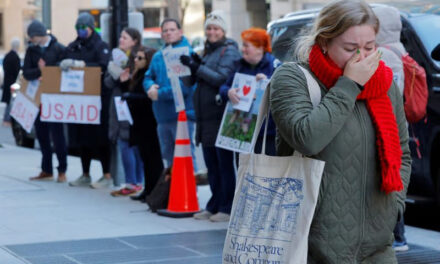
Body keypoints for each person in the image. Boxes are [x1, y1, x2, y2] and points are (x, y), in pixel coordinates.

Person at [269, 0, 411, 262]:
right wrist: (349, 85)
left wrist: (394, 206)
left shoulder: (383, 82)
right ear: (324, 41)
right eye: (350, 48)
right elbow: (307, 139)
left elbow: (402, 151)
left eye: (369, 47)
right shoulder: (292, 77)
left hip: (378, 245)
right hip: (312, 245)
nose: (362, 57)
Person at [179, 10, 240, 222]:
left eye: (215, 28)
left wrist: (198, 66)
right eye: (209, 29)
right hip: (205, 118)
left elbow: (222, 78)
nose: (212, 32)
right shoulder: (208, 51)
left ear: (223, 30)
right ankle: (214, 203)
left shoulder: (229, 51)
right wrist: (190, 67)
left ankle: (227, 205)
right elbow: (200, 78)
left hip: (220, 115)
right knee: (211, 165)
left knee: (223, 164)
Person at [61, 12, 112, 189]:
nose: (80, 31)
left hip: (98, 100)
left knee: (100, 138)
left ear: (91, 27)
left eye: (83, 28)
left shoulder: (100, 46)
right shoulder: (74, 46)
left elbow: (104, 66)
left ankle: (106, 174)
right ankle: (85, 174)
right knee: (82, 139)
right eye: (78, 28)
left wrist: (84, 66)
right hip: (80, 102)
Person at [374, 4, 410, 252]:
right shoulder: (398, 49)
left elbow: (389, 93)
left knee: (389, 179)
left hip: (388, 127)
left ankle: (398, 237)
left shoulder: (384, 54)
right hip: (397, 125)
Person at [143, 18, 197, 172]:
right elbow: (148, 77)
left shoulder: (187, 54)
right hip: (162, 116)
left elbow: (185, 86)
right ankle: (172, 193)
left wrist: (159, 94)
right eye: (165, 30)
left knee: (186, 158)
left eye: (172, 29)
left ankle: (190, 195)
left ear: (180, 32)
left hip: (182, 115)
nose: (168, 33)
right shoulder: (158, 56)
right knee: (168, 159)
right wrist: (150, 87)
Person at [219, 27, 279, 156]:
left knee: (263, 173)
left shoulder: (275, 66)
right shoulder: (239, 65)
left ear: (260, 48)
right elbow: (224, 87)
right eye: (243, 45)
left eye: (246, 45)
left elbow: (283, 93)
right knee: (243, 172)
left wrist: (267, 83)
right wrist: (228, 92)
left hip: (266, 134)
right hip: (241, 134)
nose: (242, 49)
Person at [23, 20, 68, 183]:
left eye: (32, 37)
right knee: (41, 135)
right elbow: (26, 73)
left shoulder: (58, 48)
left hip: (54, 98)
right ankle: (46, 169)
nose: (31, 40)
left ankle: (62, 170)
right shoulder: (31, 51)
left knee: (57, 135)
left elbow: (62, 69)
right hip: (38, 98)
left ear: (39, 35)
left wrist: (47, 71)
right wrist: (39, 71)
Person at [122, 47, 164, 202]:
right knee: (145, 157)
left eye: (140, 58)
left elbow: (146, 97)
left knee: (153, 157)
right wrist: (125, 85)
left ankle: (153, 190)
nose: (136, 60)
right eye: (136, 57)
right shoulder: (137, 75)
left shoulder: (148, 77)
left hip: (148, 121)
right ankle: (148, 189)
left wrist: (131, 95)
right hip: (138, 121)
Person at [106, 28, 144, 196]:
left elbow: (140, 80)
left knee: (133, 144)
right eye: (120, 36)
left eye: (125, 37)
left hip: (133, 105)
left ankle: (137, 182)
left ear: (134, 41)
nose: (121, 39)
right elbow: (107, 82)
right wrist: (115, 74)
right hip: (119, 106)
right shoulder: (115, 57)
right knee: (124, 142)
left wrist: (127, 79)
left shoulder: (138, 57)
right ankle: (131, 182)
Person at [2, 37, 21, 126]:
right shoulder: (14, 56)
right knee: (11, 101)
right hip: (13, 82)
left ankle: (7, 119)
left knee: (10, 101)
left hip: (7, 81)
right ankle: (7, 119)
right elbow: (17, 71)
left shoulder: (7, 55)